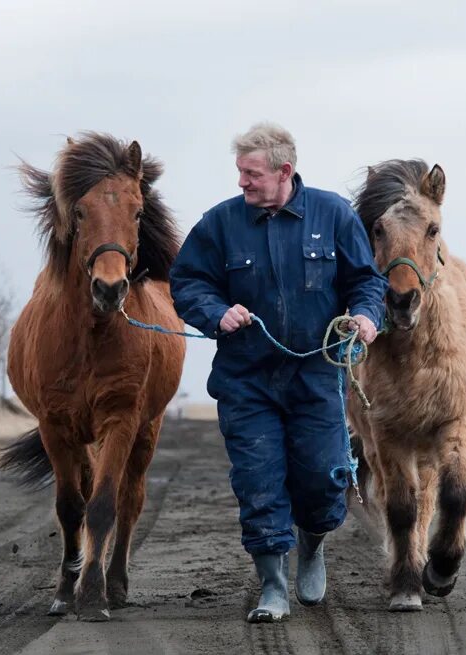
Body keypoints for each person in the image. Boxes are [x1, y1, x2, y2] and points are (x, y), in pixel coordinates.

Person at [169, 123, 387, 623]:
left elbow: (366, 282)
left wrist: (367, 318)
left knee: (321, 479)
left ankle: (311, 546)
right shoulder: (220, 224)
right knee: (258, 480)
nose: (242, 183)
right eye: (240, 173)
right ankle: (273, 585)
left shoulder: (332, 214)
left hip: (315, 376)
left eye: (252, 174)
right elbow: (187, 282)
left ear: (284, 171)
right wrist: (215, 312)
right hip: (247, 380)